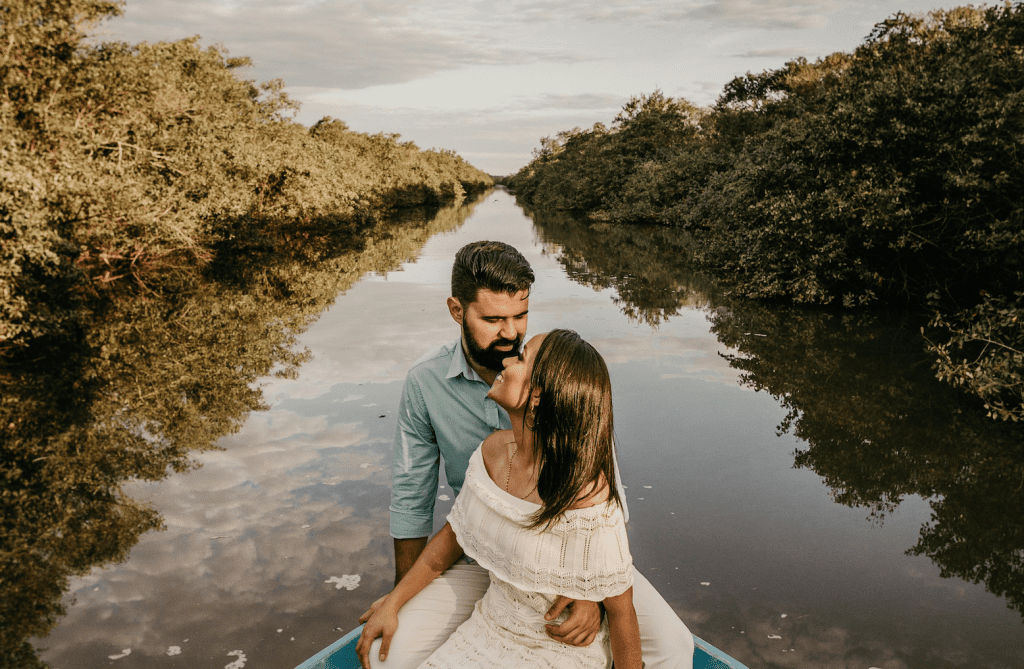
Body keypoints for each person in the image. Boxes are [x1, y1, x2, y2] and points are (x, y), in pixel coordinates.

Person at [361, 241, 694, 668]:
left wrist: (589, 589)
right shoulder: (425, 384)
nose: (511, 333)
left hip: (564, 555)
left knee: (671, 646)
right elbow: (412, 498)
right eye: (494, 319)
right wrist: (400, 595)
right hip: (479, 548)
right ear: (457, 310)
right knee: (386, 651)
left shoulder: (556, 372)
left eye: (520, 316)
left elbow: (601, 491)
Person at [358, 330, 642, 669]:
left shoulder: (585, 493)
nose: (506, 360)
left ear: (537, 398)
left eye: (521, 358)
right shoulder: (491, 453)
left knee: (674, 645)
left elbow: (622, 616)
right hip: (489, 627)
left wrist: (589, 596)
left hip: (557, 648)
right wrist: (393, 602)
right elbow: (449, 540)